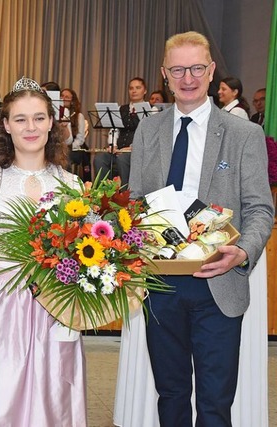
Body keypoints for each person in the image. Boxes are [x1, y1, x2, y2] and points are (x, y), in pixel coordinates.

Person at [128, 31, 274, 426]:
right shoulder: (148, 132)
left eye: (196, 68)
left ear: (211, 72)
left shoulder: (245, 134)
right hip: (160, 284)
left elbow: (261, 208)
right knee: (170, 395)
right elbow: (136, 200)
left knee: (214, 402)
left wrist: (243, 252)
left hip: (219, 283)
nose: (187, 78)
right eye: (178, 69)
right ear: (164, 74)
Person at [0, 77, 86, 426]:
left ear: (51, 123)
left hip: (55, 306)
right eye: (21, 119)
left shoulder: (70, 185)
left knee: (53, 400)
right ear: (6, 125)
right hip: (0, 308)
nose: (31, 127)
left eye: (39, 118)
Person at [93, 77, 147, 186]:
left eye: (138, 88)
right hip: (119, 149)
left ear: (145, 91)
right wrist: (113, 145)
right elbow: (114, 129)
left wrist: (132, 147)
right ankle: (103, 194)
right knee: (99, 158)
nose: (134, 91)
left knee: (122, 159)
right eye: (131, 88)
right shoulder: (120, 109)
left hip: (137, 151)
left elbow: (148, 135)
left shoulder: (151, 110)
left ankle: (126, 195)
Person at [62, 87, 90, 181]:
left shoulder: (79, 116)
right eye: (61, 96)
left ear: (72, 101)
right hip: (60, 147)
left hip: (75, 148)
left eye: (67, 97)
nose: (63, 98)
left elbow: (80, 139)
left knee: (67, 156)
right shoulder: (55, 115)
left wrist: (68, 147)